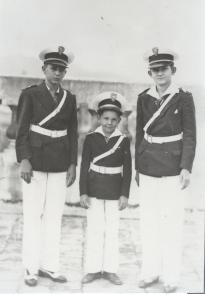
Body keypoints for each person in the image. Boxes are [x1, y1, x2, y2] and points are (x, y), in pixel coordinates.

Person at [135, 48, 196, 293]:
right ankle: (151, 271)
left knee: (171, 223)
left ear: (173, 70)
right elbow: (140, 134)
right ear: (150, 72)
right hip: (148, 165)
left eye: (164, 69)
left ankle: (171, 276)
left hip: (173, 167)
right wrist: (138, 166)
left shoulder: (183, 98)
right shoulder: (143, 98)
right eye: (155, 70)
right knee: (148, 221)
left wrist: (186, 167)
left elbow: (190, 135)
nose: (160, 73)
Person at [15, 46, 78, 287]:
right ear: (44, 69)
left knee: (54, 216)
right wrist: (24, 159)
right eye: (54, 68)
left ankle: (50, 265)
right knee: (33, 216)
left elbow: (73, 133)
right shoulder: (30, 94)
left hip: (60, 163)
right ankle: (31, 268)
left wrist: (73, 163)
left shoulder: (69, 98)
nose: (58, 73)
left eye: (62, 69)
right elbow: (21, 130)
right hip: (36, 161)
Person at [80, 92, 132, 285]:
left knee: (112, 230)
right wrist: (83, 192)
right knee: (94, 229)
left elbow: (127, 169)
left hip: (114, 191)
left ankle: (110, 270)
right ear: (99, 118)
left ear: (119, 120)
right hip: (93, 190)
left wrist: (124, 195)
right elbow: (84, 166)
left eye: (113, 119)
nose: (109, 123)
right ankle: (93, 269)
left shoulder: (124, 140)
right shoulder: (91, 138)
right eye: (105, 118)